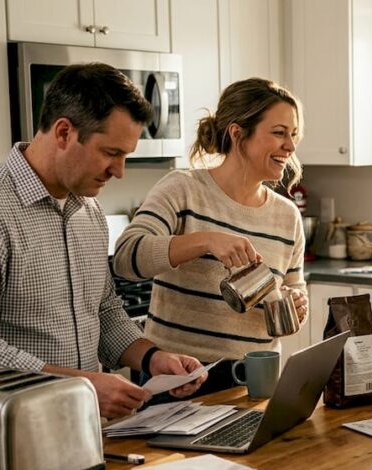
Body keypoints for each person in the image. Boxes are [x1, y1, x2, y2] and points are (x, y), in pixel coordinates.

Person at [0, 63, 206, 419]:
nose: (119, 171)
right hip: (7, 441)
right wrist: (84, 386)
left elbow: (104, 312)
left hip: (82, 432)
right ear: (63, 133)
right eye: (111, 153)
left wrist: (154, 359)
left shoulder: (89, 212)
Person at [112, 78, 308, 397]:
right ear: (237, 133)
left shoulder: (287, 216)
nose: (291, 146)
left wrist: (297, 304)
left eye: (293, 135)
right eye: (279, 133)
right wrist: (205, 241)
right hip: (178, 380)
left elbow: (293, 286)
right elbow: (126, 257)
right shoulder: (183, 189)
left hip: (254, 382)